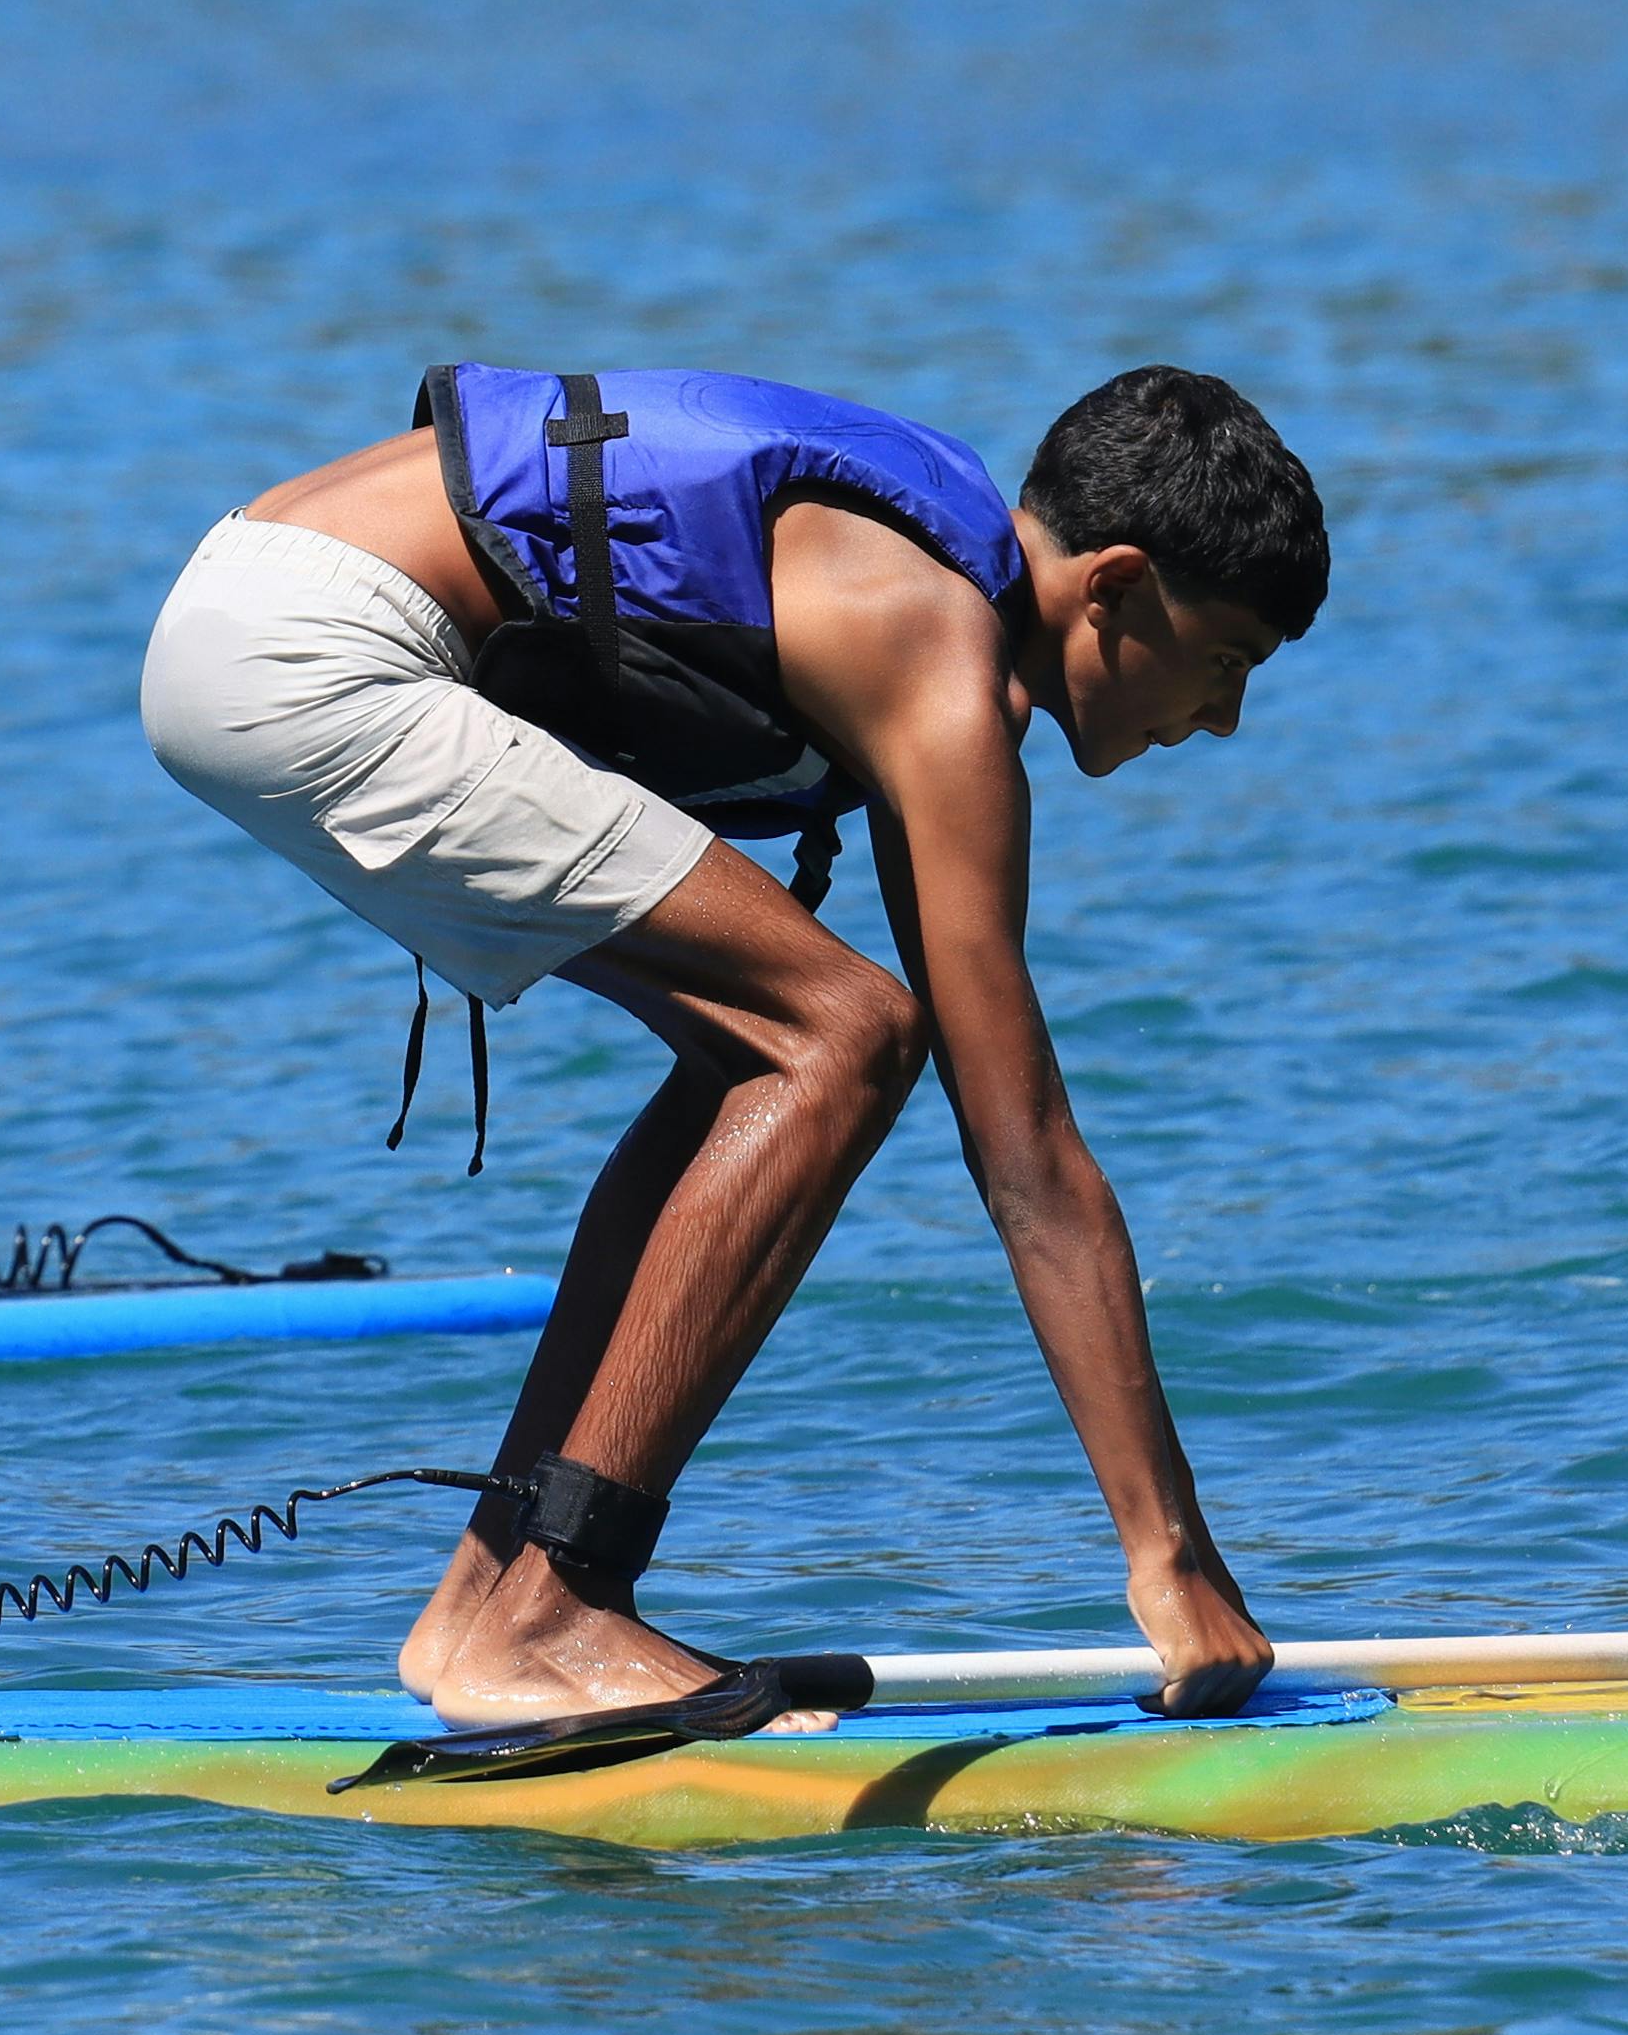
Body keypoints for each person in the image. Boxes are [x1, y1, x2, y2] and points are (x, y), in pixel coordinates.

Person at [140, 360, 1328, 1756]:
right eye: (1227, 661)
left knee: (762, 1051)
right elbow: (1028, 1162)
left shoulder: (918, 599)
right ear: (1114, 585)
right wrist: (1169, 1557)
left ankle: (487, 1601)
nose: (1224, 717)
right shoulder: (930, 649)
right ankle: (556, 1606)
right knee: (844, 1034)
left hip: (251, 607)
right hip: (315, 646)